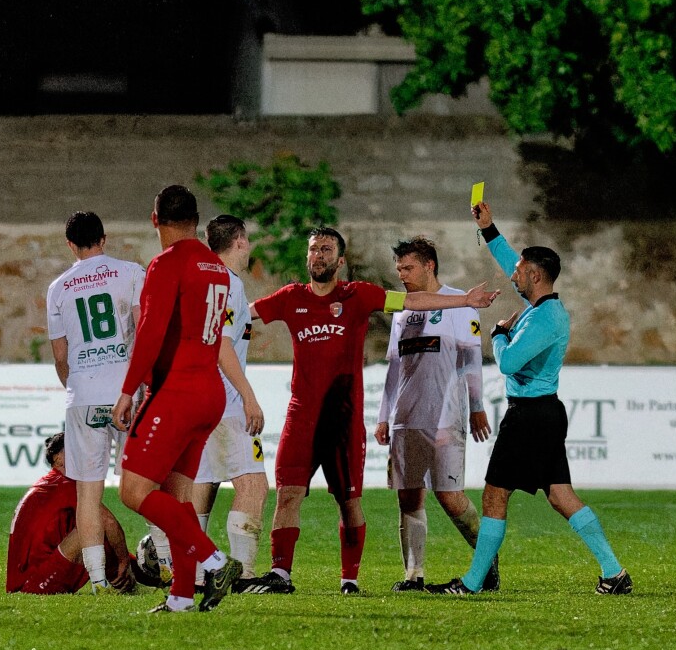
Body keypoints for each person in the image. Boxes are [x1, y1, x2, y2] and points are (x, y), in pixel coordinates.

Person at [238, 226, 500, 596]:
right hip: (316, 418)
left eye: (327, 249)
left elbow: (424, 313)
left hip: (368, 419)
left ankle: (354, 579)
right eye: (314, 249)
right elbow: (243, 315)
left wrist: (465, 301)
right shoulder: (290, 298)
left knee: (362, 499)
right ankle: (284, 574)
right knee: (292, 493)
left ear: (340, 260)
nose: (319, 255)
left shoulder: (359, 295)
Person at [427, 200, 632, 596]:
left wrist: (498, 336)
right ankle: (614, 573)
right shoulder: (542, 307)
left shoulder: (544, 319)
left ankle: (472, 584)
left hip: (530, 417)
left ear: (535, 275)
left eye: (520, 270)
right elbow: (511, 262)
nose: (513, 274)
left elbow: (508, 363)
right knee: (560, 495)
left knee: (493, 495)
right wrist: (489, 230)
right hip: (543, 413)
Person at [112, 184, 243, 613]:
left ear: (155, 219)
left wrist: (128, 391)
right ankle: (183, 595)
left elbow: (150, 332)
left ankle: (214, 559)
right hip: (210, 391)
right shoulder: (217, 268)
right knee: (179, 497)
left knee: (132, 490)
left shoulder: (167, 263)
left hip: (180, 391)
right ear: (197, 221)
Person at [374, 236, 499, 592]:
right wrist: (384, 416)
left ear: (429, 265)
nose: (402, 275)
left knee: (450, 495)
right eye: (398, 269)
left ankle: (487, 562)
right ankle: (414, 576)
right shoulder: (402, 309)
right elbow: (394, 368)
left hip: (446, 416)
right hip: (406, 417)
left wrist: (476, 408)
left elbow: (471, 360)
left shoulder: (461, 303)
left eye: (408, 267)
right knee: (408, 495)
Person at [46, 211, 145, 593]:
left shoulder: (58, 287)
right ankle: (168, 564)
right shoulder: (131, 272)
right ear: (103, 239)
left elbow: (60, 355)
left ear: (70, 245)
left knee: (88, 493)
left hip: (83, 395)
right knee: (145, 483)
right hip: (125, 393)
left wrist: (76, 387)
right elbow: (143, 329)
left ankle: (99, 582)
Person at [190, 214, 268, 589]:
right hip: (225, 399)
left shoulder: (202, 280)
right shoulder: (230, 284)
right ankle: (242, 575)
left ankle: (191, 568)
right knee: (253, 486)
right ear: (239, 241)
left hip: (198, 398)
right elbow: (222, 344)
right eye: (247, 240)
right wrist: (249, 397)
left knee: (202, 483)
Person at [6, 432, 137, 595]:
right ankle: (133, 578)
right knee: (91, 529)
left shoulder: (52, 483)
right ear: (59, 458)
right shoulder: (65, 484)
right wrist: (124, 561)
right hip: (36, 584)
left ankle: (136, 576)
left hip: (27, 581)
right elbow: (108, 522)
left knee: (90, 528)